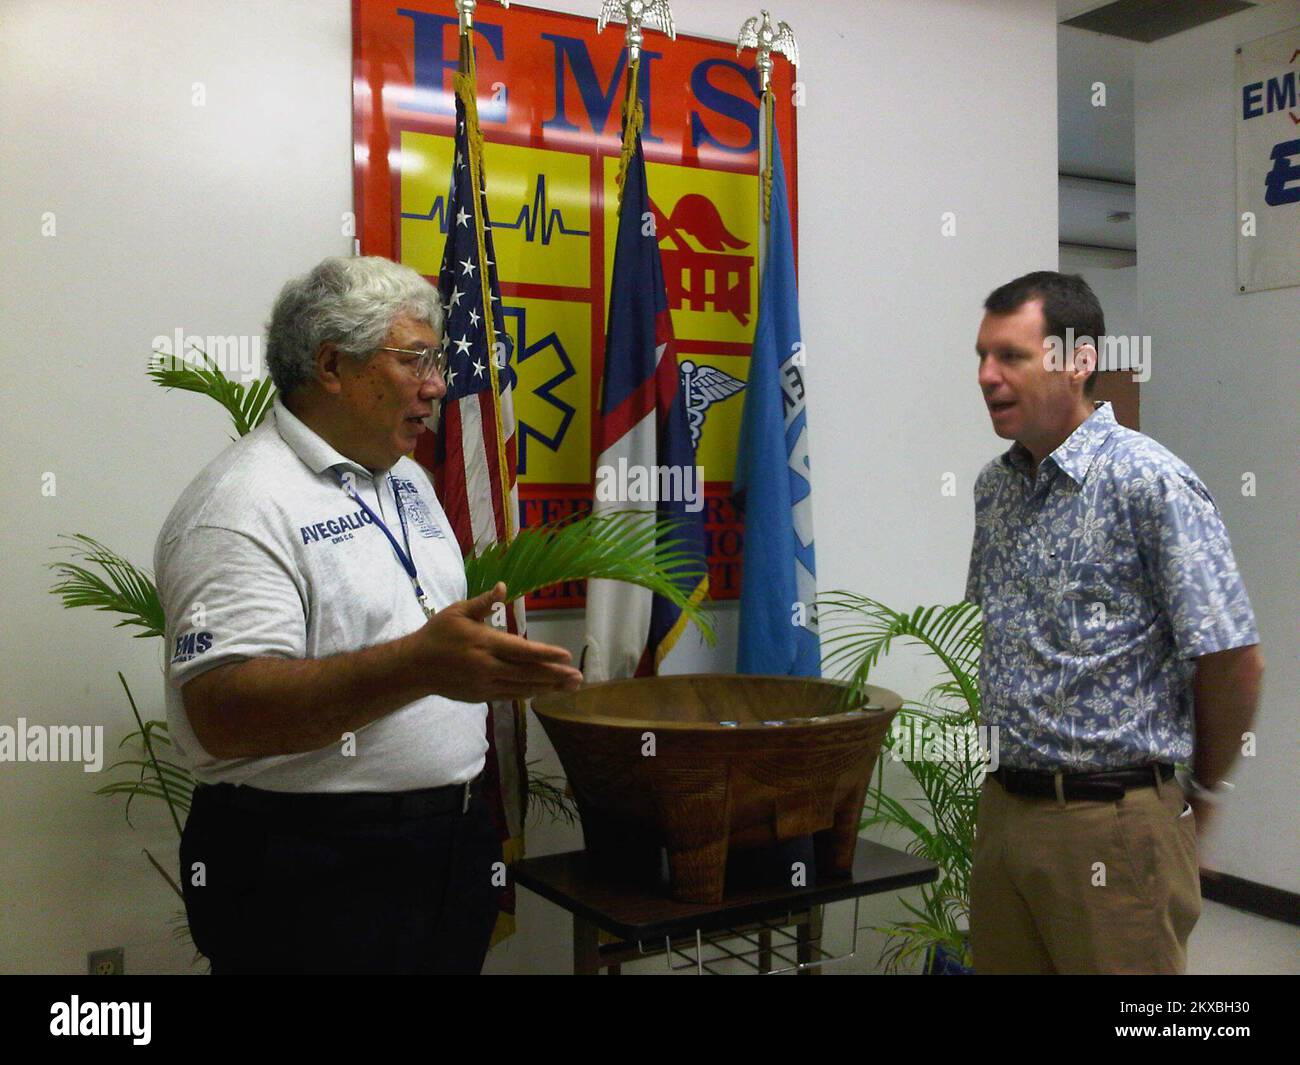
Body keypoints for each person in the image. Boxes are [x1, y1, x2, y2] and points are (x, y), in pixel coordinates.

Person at [155, 255, 583, 974]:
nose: (437, 384)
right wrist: (421, 665)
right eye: (414, 360)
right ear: (332, 365)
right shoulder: (237, 506)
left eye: (436, 359)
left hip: (447, 847)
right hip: (312, 865)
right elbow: (222, 714)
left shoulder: (407, 478)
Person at [965, 271, 1264, 975]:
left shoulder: (1150, 481)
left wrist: (1204, 793)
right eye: (981, 355)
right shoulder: (995, 488)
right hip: (1006, 810)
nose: (986, 375)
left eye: (1011, 355)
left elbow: (1233, 657)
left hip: (1113, 822)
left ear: (1078, 360)